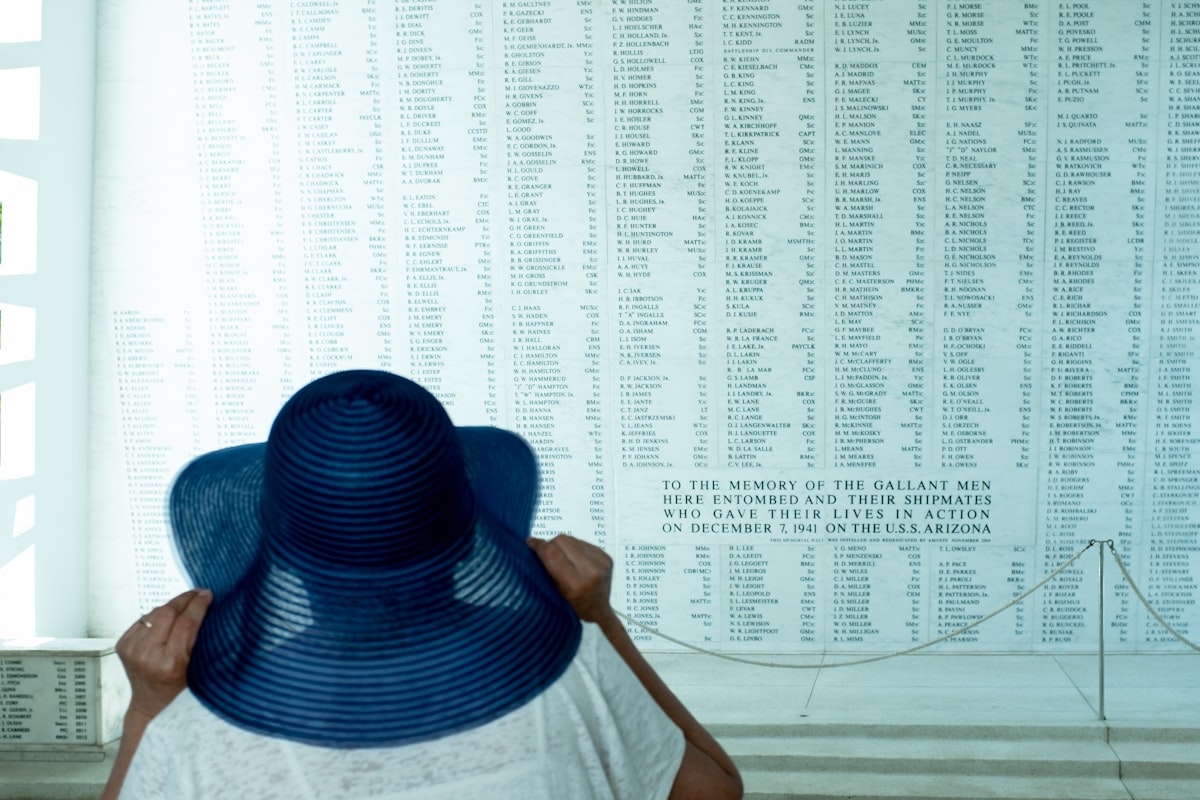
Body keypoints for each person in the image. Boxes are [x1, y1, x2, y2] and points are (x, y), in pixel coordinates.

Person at [102, 370, 742, 799]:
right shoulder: (573, 672)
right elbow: (715, 789)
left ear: (276, 540)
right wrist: (600, 621)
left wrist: (147, 712)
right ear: (470, 523)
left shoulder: (198, 728)